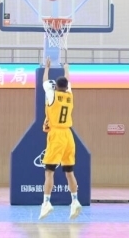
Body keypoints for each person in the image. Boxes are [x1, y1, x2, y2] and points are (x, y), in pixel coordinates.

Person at [39, 57, 81, 220]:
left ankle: (46, 202)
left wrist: (47, 68)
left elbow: (44, 82)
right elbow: (68, 81)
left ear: (56, 86)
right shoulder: (70, 95)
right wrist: (67, 68)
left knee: (49, 171)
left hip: (56, 135)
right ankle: (75, 201)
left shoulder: (52, 95)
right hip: (68, 135)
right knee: (69, 172)